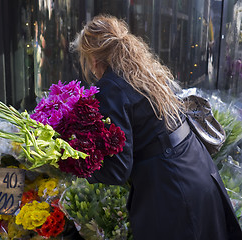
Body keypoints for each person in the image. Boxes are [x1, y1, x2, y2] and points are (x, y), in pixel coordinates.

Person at [71, 14, 242, 240]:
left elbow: (118, 170)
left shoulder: (110, 88)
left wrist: (75, 158)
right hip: (196, 168)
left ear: (93, 59)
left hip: (171, 189)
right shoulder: (143, 70)